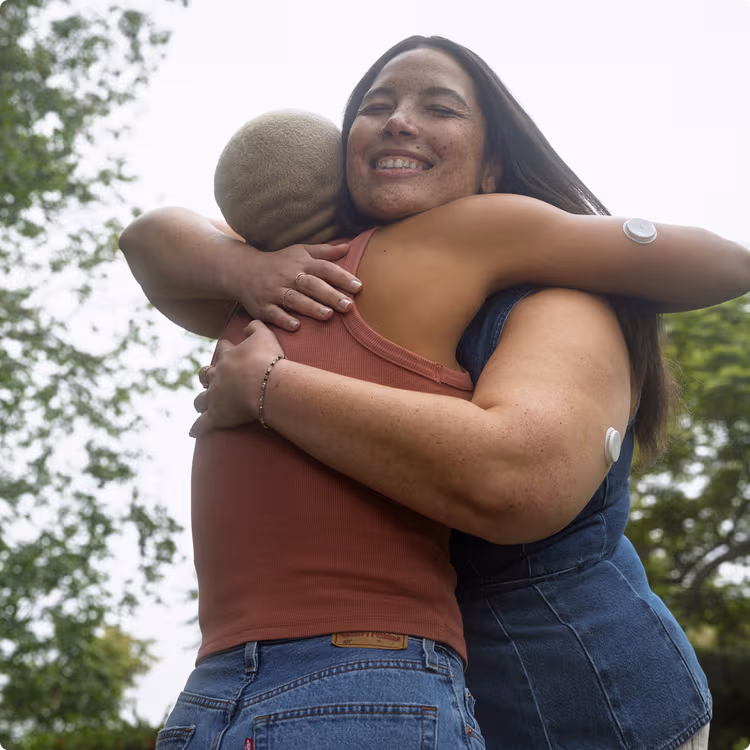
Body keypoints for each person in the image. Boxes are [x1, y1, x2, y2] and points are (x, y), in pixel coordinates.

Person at [120, 36, 750, 750]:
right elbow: (150, 240)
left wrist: (268, 386)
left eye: (439, 107)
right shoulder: (311, 277)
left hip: (594, 713)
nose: (397, 119)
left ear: (492, 168)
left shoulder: (527, 271)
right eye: (375, 105)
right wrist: (243, 268)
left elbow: (519, 474)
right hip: (286, 687)